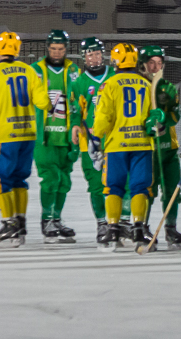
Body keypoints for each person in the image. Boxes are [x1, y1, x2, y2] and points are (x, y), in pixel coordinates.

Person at [0, 28, 50, 247]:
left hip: (5, 135)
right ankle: (20, 222)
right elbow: (43, 102)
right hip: (27, 134)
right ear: (18, 50)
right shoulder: (30, 71)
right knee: (20, 179)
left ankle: (9, 225)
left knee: (0, 180)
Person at [90, 43, 158, 250]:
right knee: (140, 188)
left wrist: (96, 137)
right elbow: (154, 116)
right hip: (142, 144)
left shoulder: (109, 84)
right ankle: (138, 227)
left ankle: (112, 229)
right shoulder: (146, 84)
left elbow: (103, 116)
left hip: (117, 144)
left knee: (113, 187)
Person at [31, 29, 80, 242]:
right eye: (53, 48)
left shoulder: (74, 71)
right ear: (47, 48)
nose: (57, 52)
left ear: (66, 49)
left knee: (64, 181)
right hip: (44, 137)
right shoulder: (35, 70)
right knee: (50, 179)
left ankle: (57, 218)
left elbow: (78, 102)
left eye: (60, 49)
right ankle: (46, 219)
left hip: (66, 137)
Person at [141, 44, 181, 249]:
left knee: (172, 191)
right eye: (151, 63)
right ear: (143, 64)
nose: (155, 67)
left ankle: (170, 227)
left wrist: (165, 116)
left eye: (159, 63)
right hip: (147, 150)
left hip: (169, 149)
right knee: (147, 191)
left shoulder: (167, 87)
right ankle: (142, 226)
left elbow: (176, 116)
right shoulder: (138, 86)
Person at [70, 36, 115, 245]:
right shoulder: (79, 82)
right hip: (90, 142)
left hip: (114, 138)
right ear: (84, 57)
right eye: (90, 54)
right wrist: (74, 125)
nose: (95, 58)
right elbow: (75, 110)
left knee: (118, 182)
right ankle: (102, 223)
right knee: (96, 185)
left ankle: (120, 222)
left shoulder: (114, 76)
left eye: (97, 53)